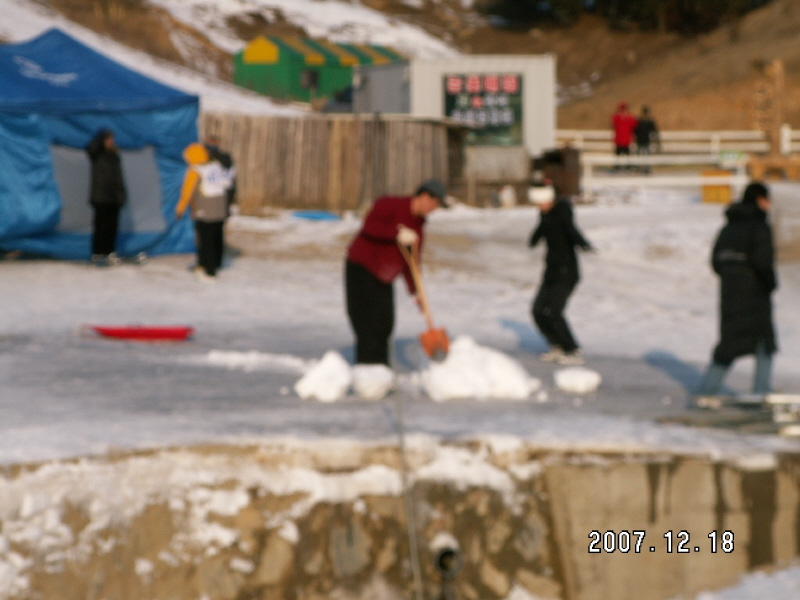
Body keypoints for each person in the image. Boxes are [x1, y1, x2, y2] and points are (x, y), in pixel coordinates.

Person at [345, 179, 448, 366]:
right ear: (424, 196)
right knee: (367, 324)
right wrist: (397, 233)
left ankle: (381, 368)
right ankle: (367, 369)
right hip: (362, 268)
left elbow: (412, 264)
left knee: (385, 324)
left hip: (384, 277)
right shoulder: (390, 204)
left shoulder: (418, 227)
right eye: (435, 203)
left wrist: (416, 292)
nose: (434, 209)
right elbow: (370, 226)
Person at [695, 182, 778, 397]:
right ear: (760, 199)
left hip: (730, 294)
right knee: (763, 343)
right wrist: (771, 284)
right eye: (767, 200)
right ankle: (761, 392)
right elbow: (762, 262)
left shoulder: (728, 227)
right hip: (754, 295)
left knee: (729, 345)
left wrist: (733, 277)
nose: (769, 205)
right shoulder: (759, 226)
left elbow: (716, 262)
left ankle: (707, 392)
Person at [528, 183, 593, 365]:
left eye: (543, 203)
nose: (541, 207)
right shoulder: (545, 214)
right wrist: (533, 239)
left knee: (555, 311)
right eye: (538, 204)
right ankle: (556, 345)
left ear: (550, 199)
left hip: (567, 271)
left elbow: (571, 230)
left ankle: (572, 350)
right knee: (538, 311)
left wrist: (583, 244)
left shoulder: (563, 212)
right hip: (551, 271)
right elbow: (541, 229)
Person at [175, 143, 235, 281]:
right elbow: (228, 184)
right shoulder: (216, 166)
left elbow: (187, 192)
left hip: (205, 210)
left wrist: (180, 209)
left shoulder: (195, 170)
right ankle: (216, 263)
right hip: (220, 208)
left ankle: (208, 270)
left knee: (205, 240)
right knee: (217, 237)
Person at [86, 129, 126, 265]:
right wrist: (100, 139)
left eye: (112, 139)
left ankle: (110, 252)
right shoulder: (96, 154)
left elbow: (119, 178)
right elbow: (90, 148)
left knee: (112, 227)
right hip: (100, 197)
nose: (111, 142)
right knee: (100, 226)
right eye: (108, 139)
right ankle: (97, 253)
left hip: (114, 198)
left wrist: (122, 195)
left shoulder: (114, 156)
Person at [611, 102, 637, 170]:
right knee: (619, 154)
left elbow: (634, 125)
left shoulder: (619, 117)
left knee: (625, 154)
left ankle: (625, 166)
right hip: (621, 139)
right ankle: (619, 166)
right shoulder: (626, 118)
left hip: (624, 139)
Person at [634, 105, 660, 174]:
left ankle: (646, 168)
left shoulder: (647, 121)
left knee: (646, 155)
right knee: (640, 155)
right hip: (640, 140)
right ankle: (639, 168)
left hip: (645, 140)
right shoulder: (641, 120)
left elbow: (654, 131)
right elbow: (635, 130)